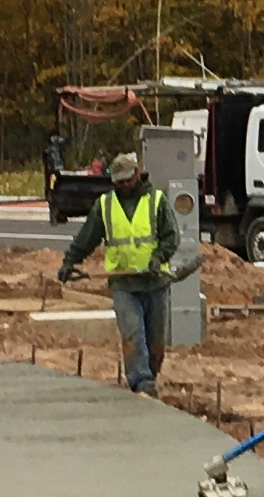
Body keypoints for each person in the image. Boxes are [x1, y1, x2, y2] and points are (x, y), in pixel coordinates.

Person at [55, 151, 184, 391]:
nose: (124, 185)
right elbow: (87, 237)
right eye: (119, 182)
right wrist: (70, 261)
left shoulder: (156, 201)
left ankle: (150, 376)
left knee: (156, 345)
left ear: (137, 174)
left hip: (155, 283)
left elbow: (171, 237)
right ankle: (141, 382)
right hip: (124, 284)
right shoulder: (105, 206)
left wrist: (158, 258)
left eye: (128, 180)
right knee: (133, 335)